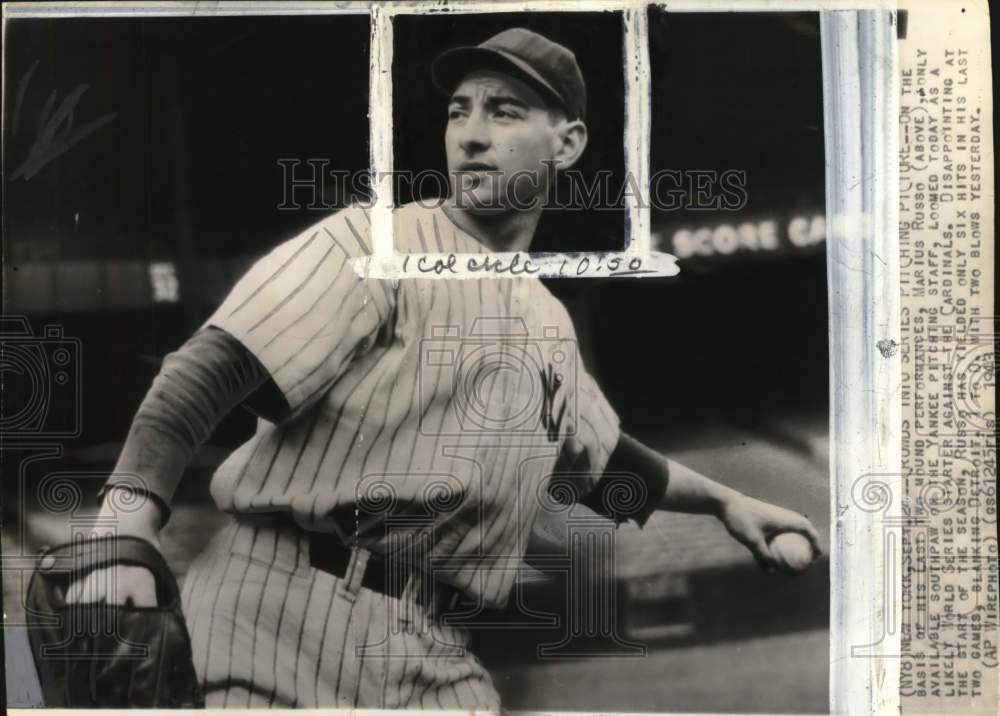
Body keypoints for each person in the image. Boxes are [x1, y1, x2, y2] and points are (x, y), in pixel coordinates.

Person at [68, 27, 821, 710]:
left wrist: (729, 503)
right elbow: (204, 372)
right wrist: (122, 537)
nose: (470, 135)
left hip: (434, 647)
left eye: (504, 111)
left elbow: (604, 462)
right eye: (461, 111)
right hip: (280, 605)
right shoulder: (375, 241)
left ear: (568, 142)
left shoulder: (549, 324)